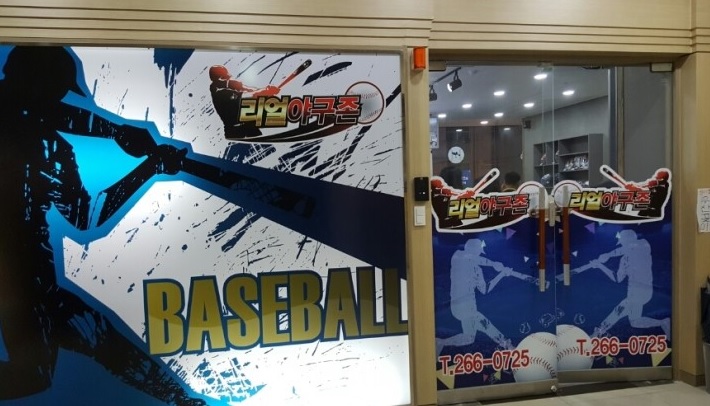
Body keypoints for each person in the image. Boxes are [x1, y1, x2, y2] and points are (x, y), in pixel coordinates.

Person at [0, 46, 203, 405]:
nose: (57, 102)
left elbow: (85, 216)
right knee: (38, 370)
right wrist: (122, 137)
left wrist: (146, 163)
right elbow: (33, 113)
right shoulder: (32, 128)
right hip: (16, 280)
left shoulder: (53, 147)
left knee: (83, 338)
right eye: (52, 92)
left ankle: (182, 401)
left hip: (35, 280)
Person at [436, 239, 514, 355]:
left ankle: (441, 342)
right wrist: (494, 264)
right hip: (460, 305)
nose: (478, 254)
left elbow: (484, 289)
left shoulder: (477, 270)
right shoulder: (458, 256)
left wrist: (501, 274)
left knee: (469, 338)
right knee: (486, 324)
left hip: (469, 307)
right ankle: (507, 346)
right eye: (477, 251)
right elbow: (473, 258)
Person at [591, 229, 670, 339]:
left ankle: (597, 334)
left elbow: (628, 248)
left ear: (629, 240)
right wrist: (601, 266)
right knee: (635, 322)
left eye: (623, 242)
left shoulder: (643, 245)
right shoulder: (624, 259)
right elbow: (617, 278)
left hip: (643, 291)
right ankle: (663, 322)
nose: (622, 244)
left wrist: (608, 255)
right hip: (633, 293)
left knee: (618, 310)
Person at [208, 64, 280, 139]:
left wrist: (265, 90)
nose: (228, 80)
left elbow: (248, 90)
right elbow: (248, 96)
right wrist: (266, 91)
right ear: (219, 79)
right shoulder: (219, 92)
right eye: (225, 78)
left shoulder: (228, 86)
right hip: (235, 131)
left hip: (248, 126)